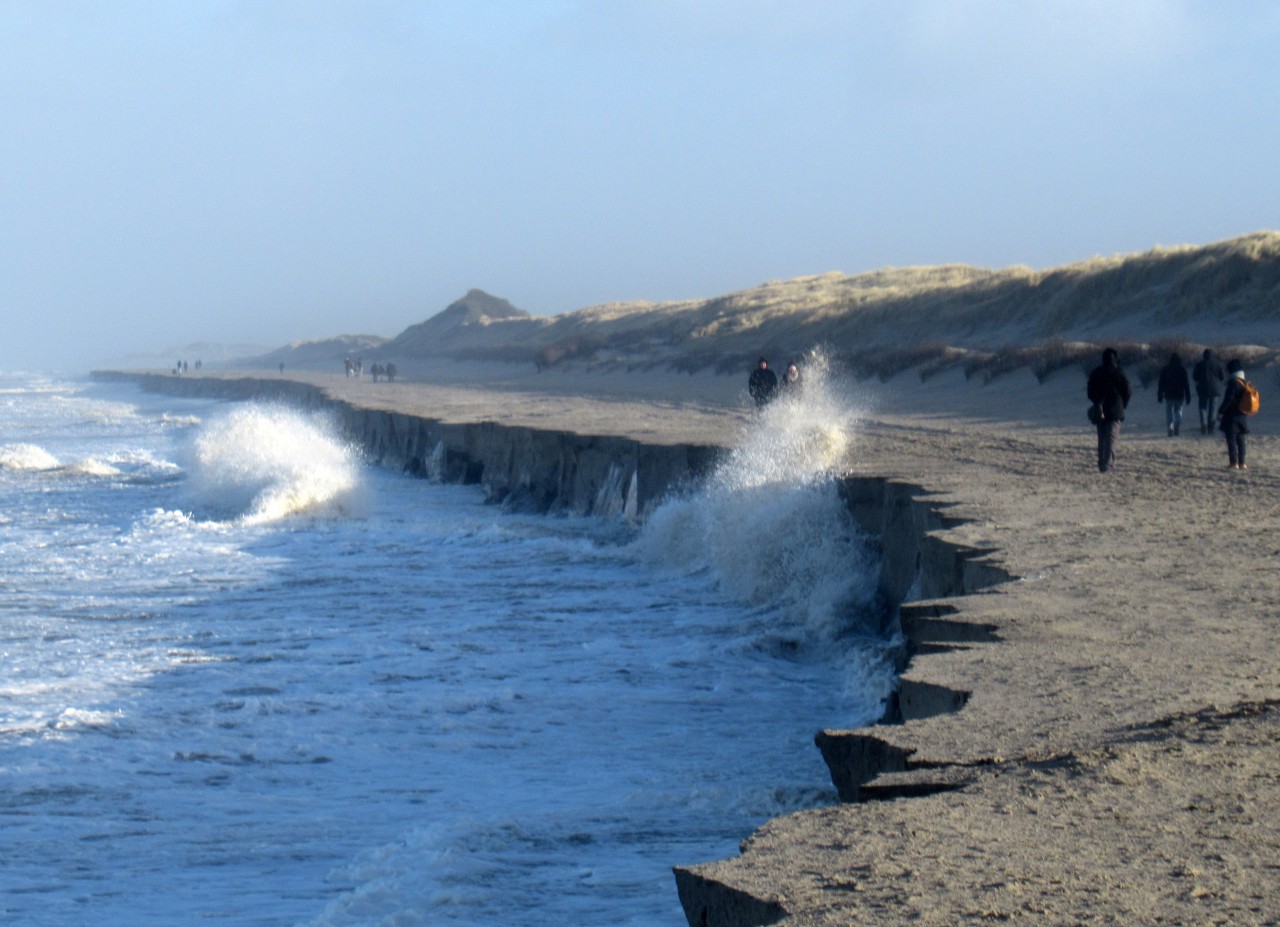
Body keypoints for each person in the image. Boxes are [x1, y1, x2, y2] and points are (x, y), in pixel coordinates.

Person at [1086, 347, 1131, 473]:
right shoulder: (1120, 372)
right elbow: (1128, 391)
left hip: (1100, 410)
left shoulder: (1096, 372)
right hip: (1116, 411)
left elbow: (1090, 392)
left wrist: (1096, 402)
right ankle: (1107, 465)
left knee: (1102, 439)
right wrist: (1123, 405)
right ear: (1115, 359)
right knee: (1111, 439)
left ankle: (1101, 464)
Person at [1217, 358, 1250, 470]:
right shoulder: (1244, 382)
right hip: (1242, 414)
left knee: (1231, 439)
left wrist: (1221, 410)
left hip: (1232, 415)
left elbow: (1229, 399)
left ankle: (1233, 462)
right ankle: (1242, 462)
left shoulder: (1233, 383)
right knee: (1241, 439)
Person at [1156, 352, 1192, 437]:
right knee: (1178, 411)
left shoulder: (1165, 369)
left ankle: (1170, 428)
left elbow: (1161, 383)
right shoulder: (1182, 370)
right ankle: (1177, 424)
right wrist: (1188, 395)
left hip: (1169, 394)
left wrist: (1160, 394)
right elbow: (1186, 384)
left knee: (1169, 412)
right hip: (1179, 394)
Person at [1192, 348, 1225, 435]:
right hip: (1215, 389)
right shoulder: (1218, 364)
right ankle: (1211, 428)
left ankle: (1203, 424)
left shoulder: (1199, 364)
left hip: (1202, 389)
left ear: (1204, 355)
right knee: (1213, 408)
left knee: (1203, 407)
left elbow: (1195, 377)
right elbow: (1222, 377)